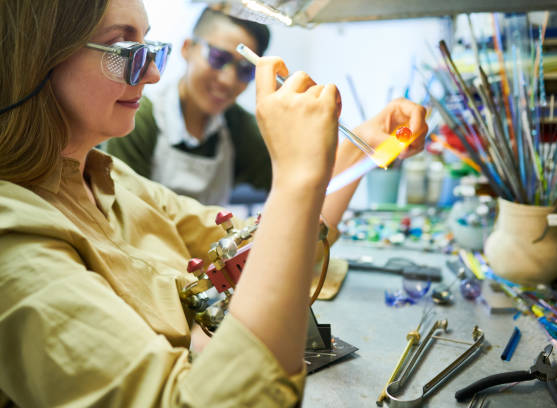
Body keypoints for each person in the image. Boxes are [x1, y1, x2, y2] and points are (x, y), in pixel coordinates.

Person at [0, 0, 427, 406]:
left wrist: (361, 148)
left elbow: (267, 253)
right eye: (124, 50)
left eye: (149, 49)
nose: (151, 74)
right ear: (36, 59)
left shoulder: (107, 177)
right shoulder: (15, 247)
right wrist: (295, 180)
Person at [105, 7, 273, 205]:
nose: (228, 80)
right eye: (218, 58)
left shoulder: (240, 128)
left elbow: (287, 180)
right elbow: (125, 211)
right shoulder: (139, 120)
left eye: (246, 70)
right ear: (187, 48)